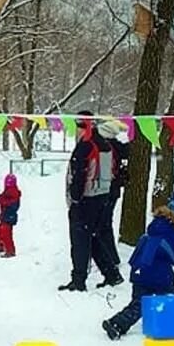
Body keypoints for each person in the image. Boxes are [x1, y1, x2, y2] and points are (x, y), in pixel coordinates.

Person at [102, 192, 174, 340]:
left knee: (139, 304)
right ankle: (170, 324)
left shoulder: (157, 227)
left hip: (140, 271)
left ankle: (116, 323)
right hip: (157, 275)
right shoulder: (171, 232)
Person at [58, 110, 116, 292]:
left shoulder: (85, 145)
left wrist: (75, 198)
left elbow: (79, 174)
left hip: (85, 200)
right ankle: (111, 274)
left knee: (80, 240)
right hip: (102, 197)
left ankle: (78, 280)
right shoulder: (104, 143)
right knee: (93, 237)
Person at [91, 118, 130, 288]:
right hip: (113, 190)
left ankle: (109, 259)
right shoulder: (120, 146)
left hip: (105, 191)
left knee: (101, 226)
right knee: (105, 225)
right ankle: (111, 257)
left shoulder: (105, 147)